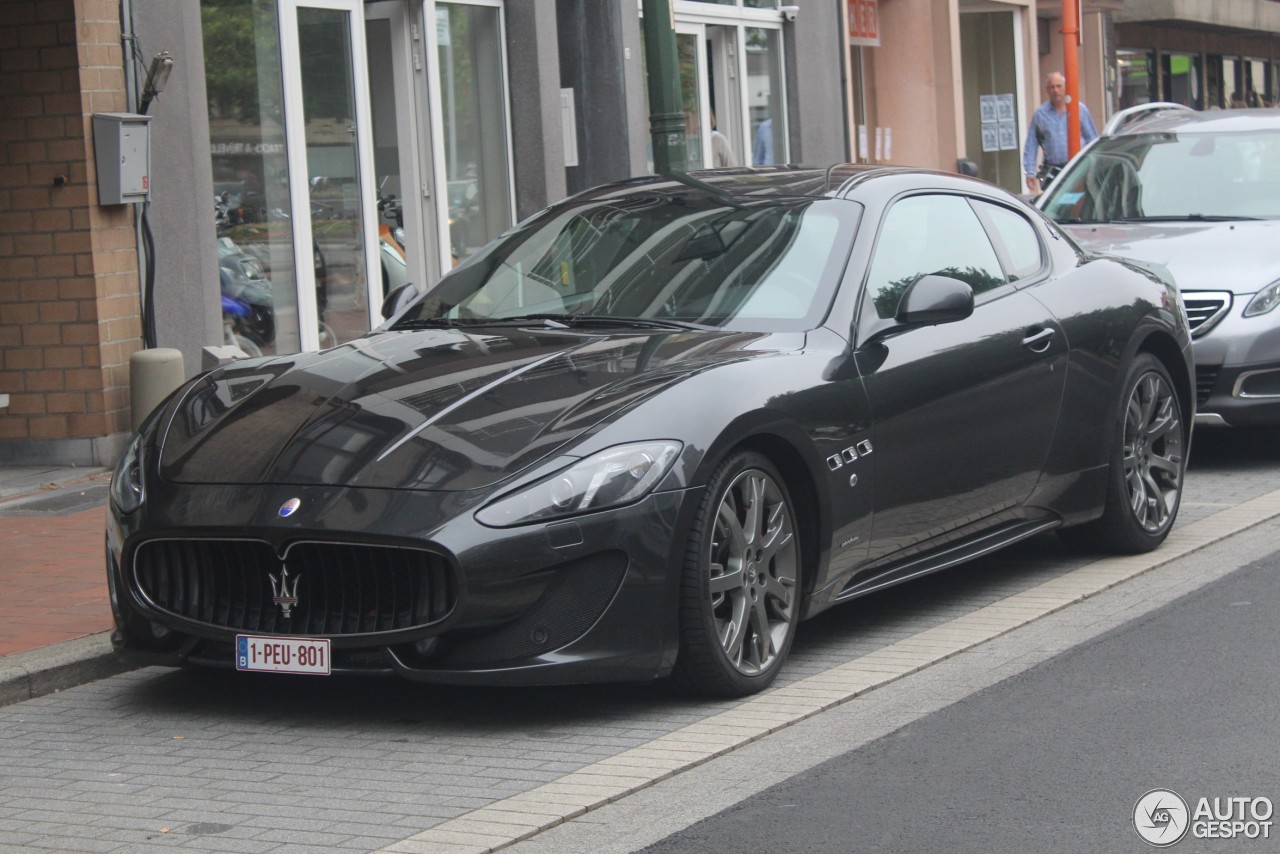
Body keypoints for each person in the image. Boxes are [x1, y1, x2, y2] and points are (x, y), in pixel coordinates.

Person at [1023, 72, 1097, 194]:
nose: (1056, 90)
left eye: (1059, 86)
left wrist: (1093, 166)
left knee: (1077, 203)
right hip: (1053, 172)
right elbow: (1031, 144)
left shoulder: (1079, 109)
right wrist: (1030, 171)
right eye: (1052, 87)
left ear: (1065, 87)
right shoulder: (1040, 114)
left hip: (1078, 169)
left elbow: (1092, 139)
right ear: (1047, 90)